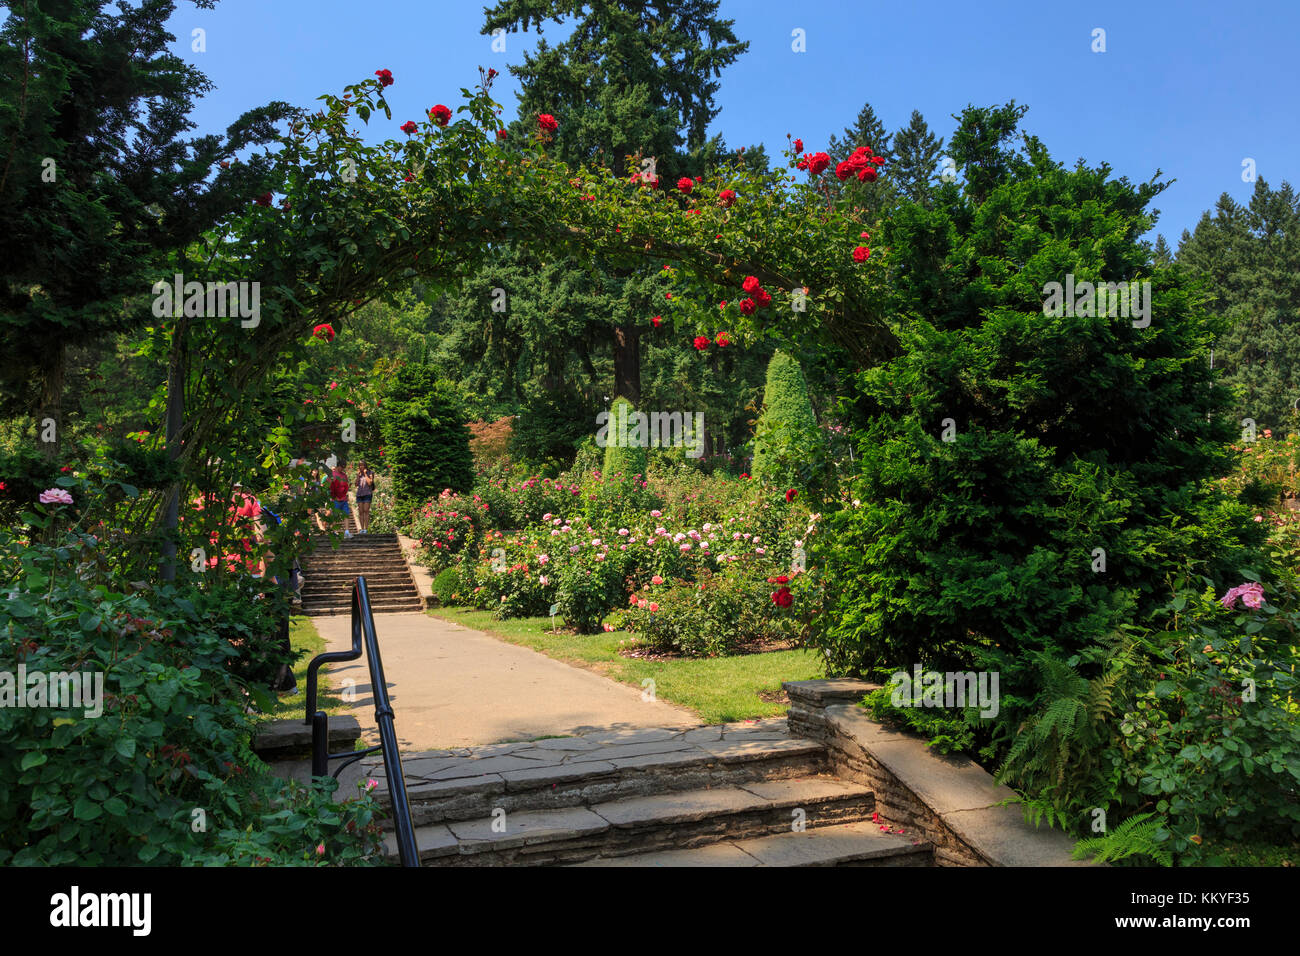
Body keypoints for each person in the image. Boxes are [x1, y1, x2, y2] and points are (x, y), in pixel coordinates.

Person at [328, 464, 352, 538]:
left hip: (344, 499)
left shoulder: (344, 475)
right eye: (342, 467)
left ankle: (347, 532)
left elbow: (346, 485)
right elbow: (329, 486)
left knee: (346, 514)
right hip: (335, 499)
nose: (343, 468)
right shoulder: (332, 475)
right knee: (335, 515)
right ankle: (334, 532)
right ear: (338, 466)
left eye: (343, 467)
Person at [355, 461, 375, 534]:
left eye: (362, 465)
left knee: (366, 510)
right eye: (360, 465)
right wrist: (358, 476)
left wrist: (365, 474)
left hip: (367, 494)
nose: (361, 467)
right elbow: (356, 484)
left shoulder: (370, 473)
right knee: (361, 511)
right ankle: (362, 528)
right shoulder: (359, 474)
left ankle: (366, 529)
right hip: (360, 494)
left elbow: (370, 483)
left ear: (365, 466)